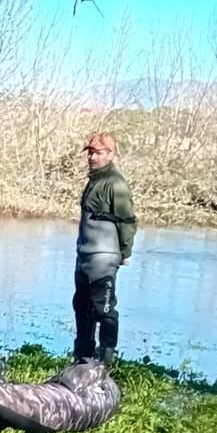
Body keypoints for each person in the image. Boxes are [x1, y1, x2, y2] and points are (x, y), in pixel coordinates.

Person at [73, 132, 137, 366]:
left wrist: (125, 252)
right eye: (90, 152)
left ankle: (106, 358)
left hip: (104, 257)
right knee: (82, 306)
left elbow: (127, 220)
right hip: (84, 255)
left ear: (110, 154)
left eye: (98, 152)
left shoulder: (115, 183)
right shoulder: (94, 180)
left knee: (105, 308)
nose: (92, 157)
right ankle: (82, 358)